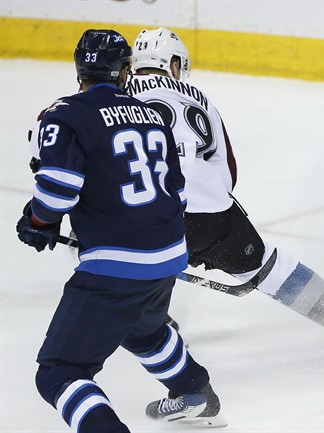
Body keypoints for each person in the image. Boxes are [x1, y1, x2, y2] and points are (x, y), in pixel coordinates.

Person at [17, 29, 227, 431]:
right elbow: (176, 191)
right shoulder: (151, 113)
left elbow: (58, 190)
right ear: (125, 71)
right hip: (167, 252)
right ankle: (194, 390)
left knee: (60, 371)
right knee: (142, 328)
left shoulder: (66, 113)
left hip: (114, 267)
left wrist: (39, 221)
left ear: (79, 68)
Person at [126, 27, 324, 352]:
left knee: (99, 250)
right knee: (269, 265)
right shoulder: (200, 99)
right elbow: (228, 170)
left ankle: (153, 322)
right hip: (212, 214)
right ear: (173, 64)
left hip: (147, 215)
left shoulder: (115, 95)